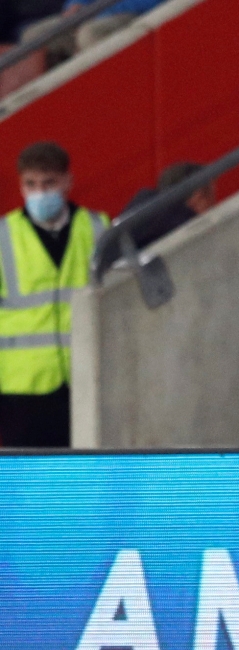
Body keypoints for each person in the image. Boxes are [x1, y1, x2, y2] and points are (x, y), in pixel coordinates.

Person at [0, 142, 108, 447]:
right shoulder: (4, 235)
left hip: (87, 378)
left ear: (67, 182)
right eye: (30, 184)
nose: (39, 193)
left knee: (85, 477)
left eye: (49, 183)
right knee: (27, 483)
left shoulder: (98, 227)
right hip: (22, 386)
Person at [20, 0, 164, 67]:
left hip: (136, 15)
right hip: (92, 13)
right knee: (33, 35)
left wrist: (97, 14)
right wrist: (74, 6)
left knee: (89, 34)